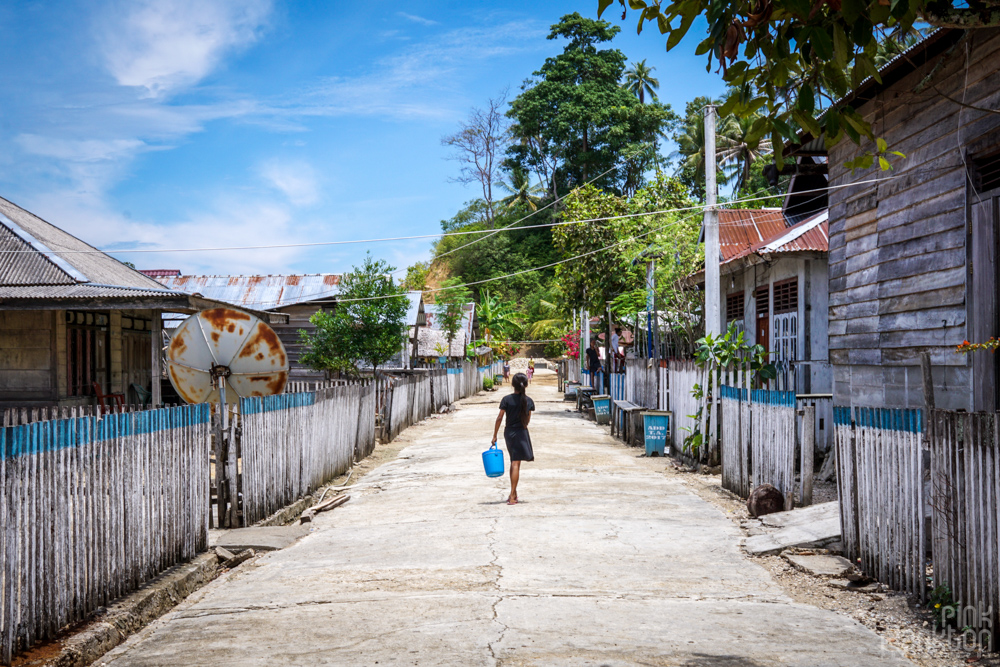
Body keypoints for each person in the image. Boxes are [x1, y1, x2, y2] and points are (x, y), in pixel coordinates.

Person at [491, 372, 534, 505]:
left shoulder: (506, 399)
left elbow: (499, 417)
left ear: (513, 385)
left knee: (514, 462)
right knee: (516, 463)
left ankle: (513, 493)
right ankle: (512, 496)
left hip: (509, 433)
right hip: (521, 432)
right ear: (525, 385)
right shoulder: (528, 401)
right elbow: (527, 420)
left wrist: (494, 435)